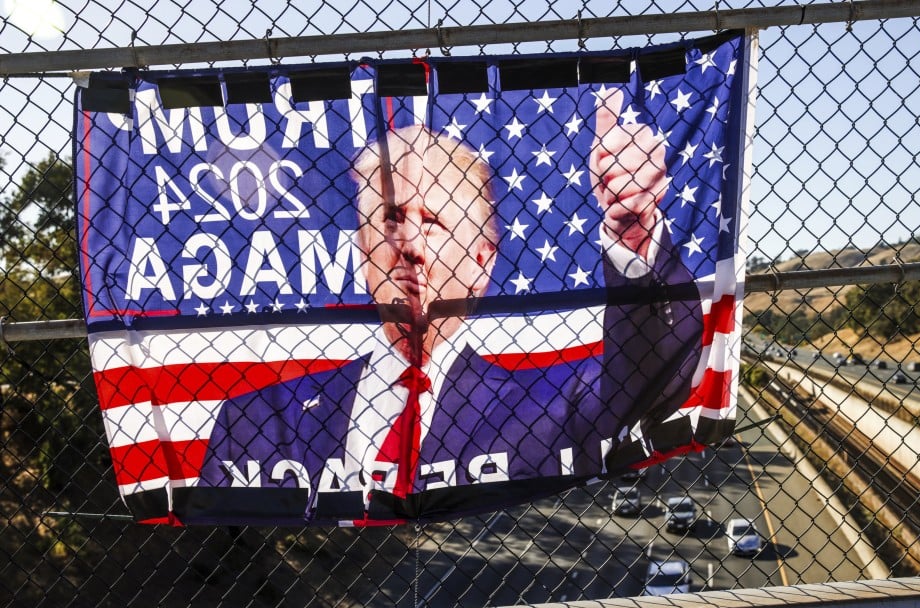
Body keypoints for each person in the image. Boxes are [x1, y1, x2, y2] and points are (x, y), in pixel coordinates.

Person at [187, 89, 704, 523]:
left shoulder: (555, 400)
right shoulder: (254, 416)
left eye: (431, 221)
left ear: (483, 259)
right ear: (361, 247)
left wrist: (634, 236)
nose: (407, 242)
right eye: (389, 218)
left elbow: (647, 370)